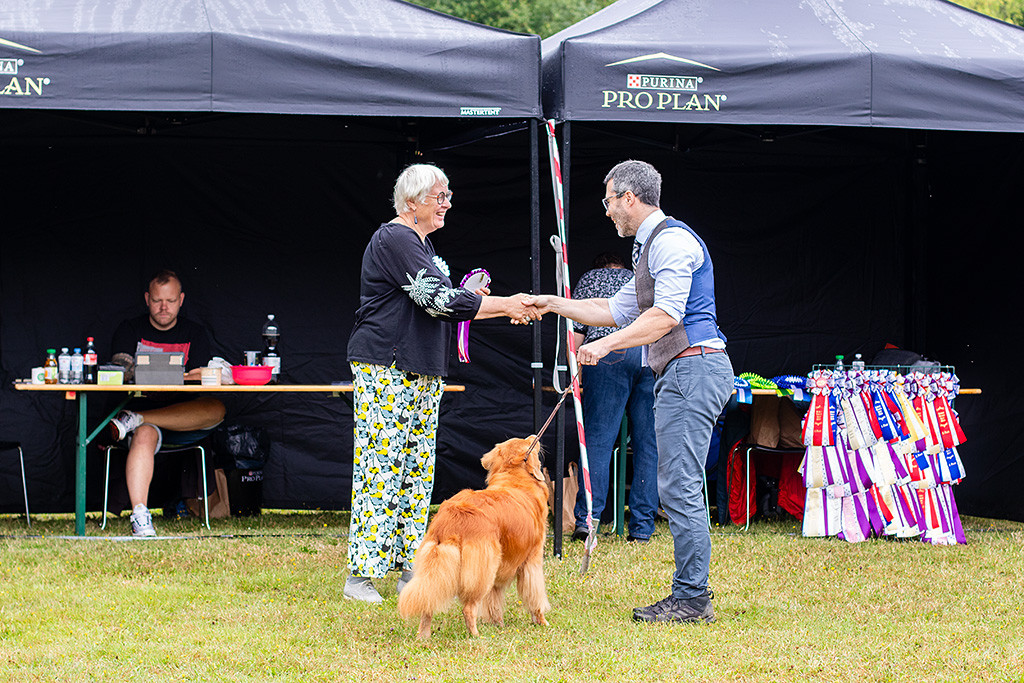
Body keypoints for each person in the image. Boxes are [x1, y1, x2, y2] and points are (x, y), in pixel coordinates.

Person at [525, 160, 733, 624]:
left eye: (608, 201)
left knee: (679, 486)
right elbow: (612, 308)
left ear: (629, 199)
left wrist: (606, 347)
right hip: (682, 371)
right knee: (675, 483)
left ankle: (693, 599)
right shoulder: (650, 246)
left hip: (693, 369)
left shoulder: (673, 241)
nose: (606, 212)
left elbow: (667, 316)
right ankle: (690, 593)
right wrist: (553, 303)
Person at [344, 163, 537, 604]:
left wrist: (498, 306)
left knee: (413, 471)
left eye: (448, 195)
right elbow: (438, 300)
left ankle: (408, 567)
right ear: (411, 202)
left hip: (421, 366)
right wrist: (506, 304)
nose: (447, 203)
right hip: (388, 365)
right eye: (439, 196)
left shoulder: (418, 243)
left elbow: (449, 302)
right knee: (381, 467)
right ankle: (361, 575)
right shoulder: (396, 237)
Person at [107, 270, 226, 537]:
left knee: (217, 407)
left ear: (181, 300)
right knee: (144, 433)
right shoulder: (130, 329)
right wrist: (178, 373)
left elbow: (202, 379)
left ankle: (135, 418)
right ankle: (140, 515)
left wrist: (176, 375)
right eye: (158, 300)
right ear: (147, 299)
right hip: (146, 417)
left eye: (170, 301)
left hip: (184, 415)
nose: (164, 307)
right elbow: (120, 370)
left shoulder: (194, 332)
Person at [570, 252, 658, 543]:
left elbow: (579, 330)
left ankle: (588, 521)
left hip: (606, 353)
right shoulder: (639, 279)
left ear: (599, 266)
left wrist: (576, 374)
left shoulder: (589, 279)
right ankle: (643, 527)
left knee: (598, 439)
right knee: (648, 442)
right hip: (647, 352)